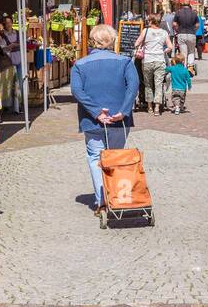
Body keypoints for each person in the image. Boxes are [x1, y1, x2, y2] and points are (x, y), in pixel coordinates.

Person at [71, 24, 140, 216]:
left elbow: (77, 91)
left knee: (95, 158)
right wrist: (124, 111)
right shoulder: (125, 62)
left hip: (91, 121)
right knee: (115, 156)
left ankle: (101, 200)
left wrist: (95, 112)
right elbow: (133, 87)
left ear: (93, 41)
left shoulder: (80, 64)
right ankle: (117, 197)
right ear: (112, 41)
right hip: (119, 120)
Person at [138, 13, 173, 115]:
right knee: (158, 84)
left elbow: (136, 43)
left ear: (151, 21)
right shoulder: (164, 32)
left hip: (148, 60)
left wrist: (143, 46)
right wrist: (163, 51)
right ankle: (157, 107)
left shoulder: (145, 31)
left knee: (148, 84)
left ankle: (149, 107)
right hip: (159, 60)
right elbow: (170, 46)